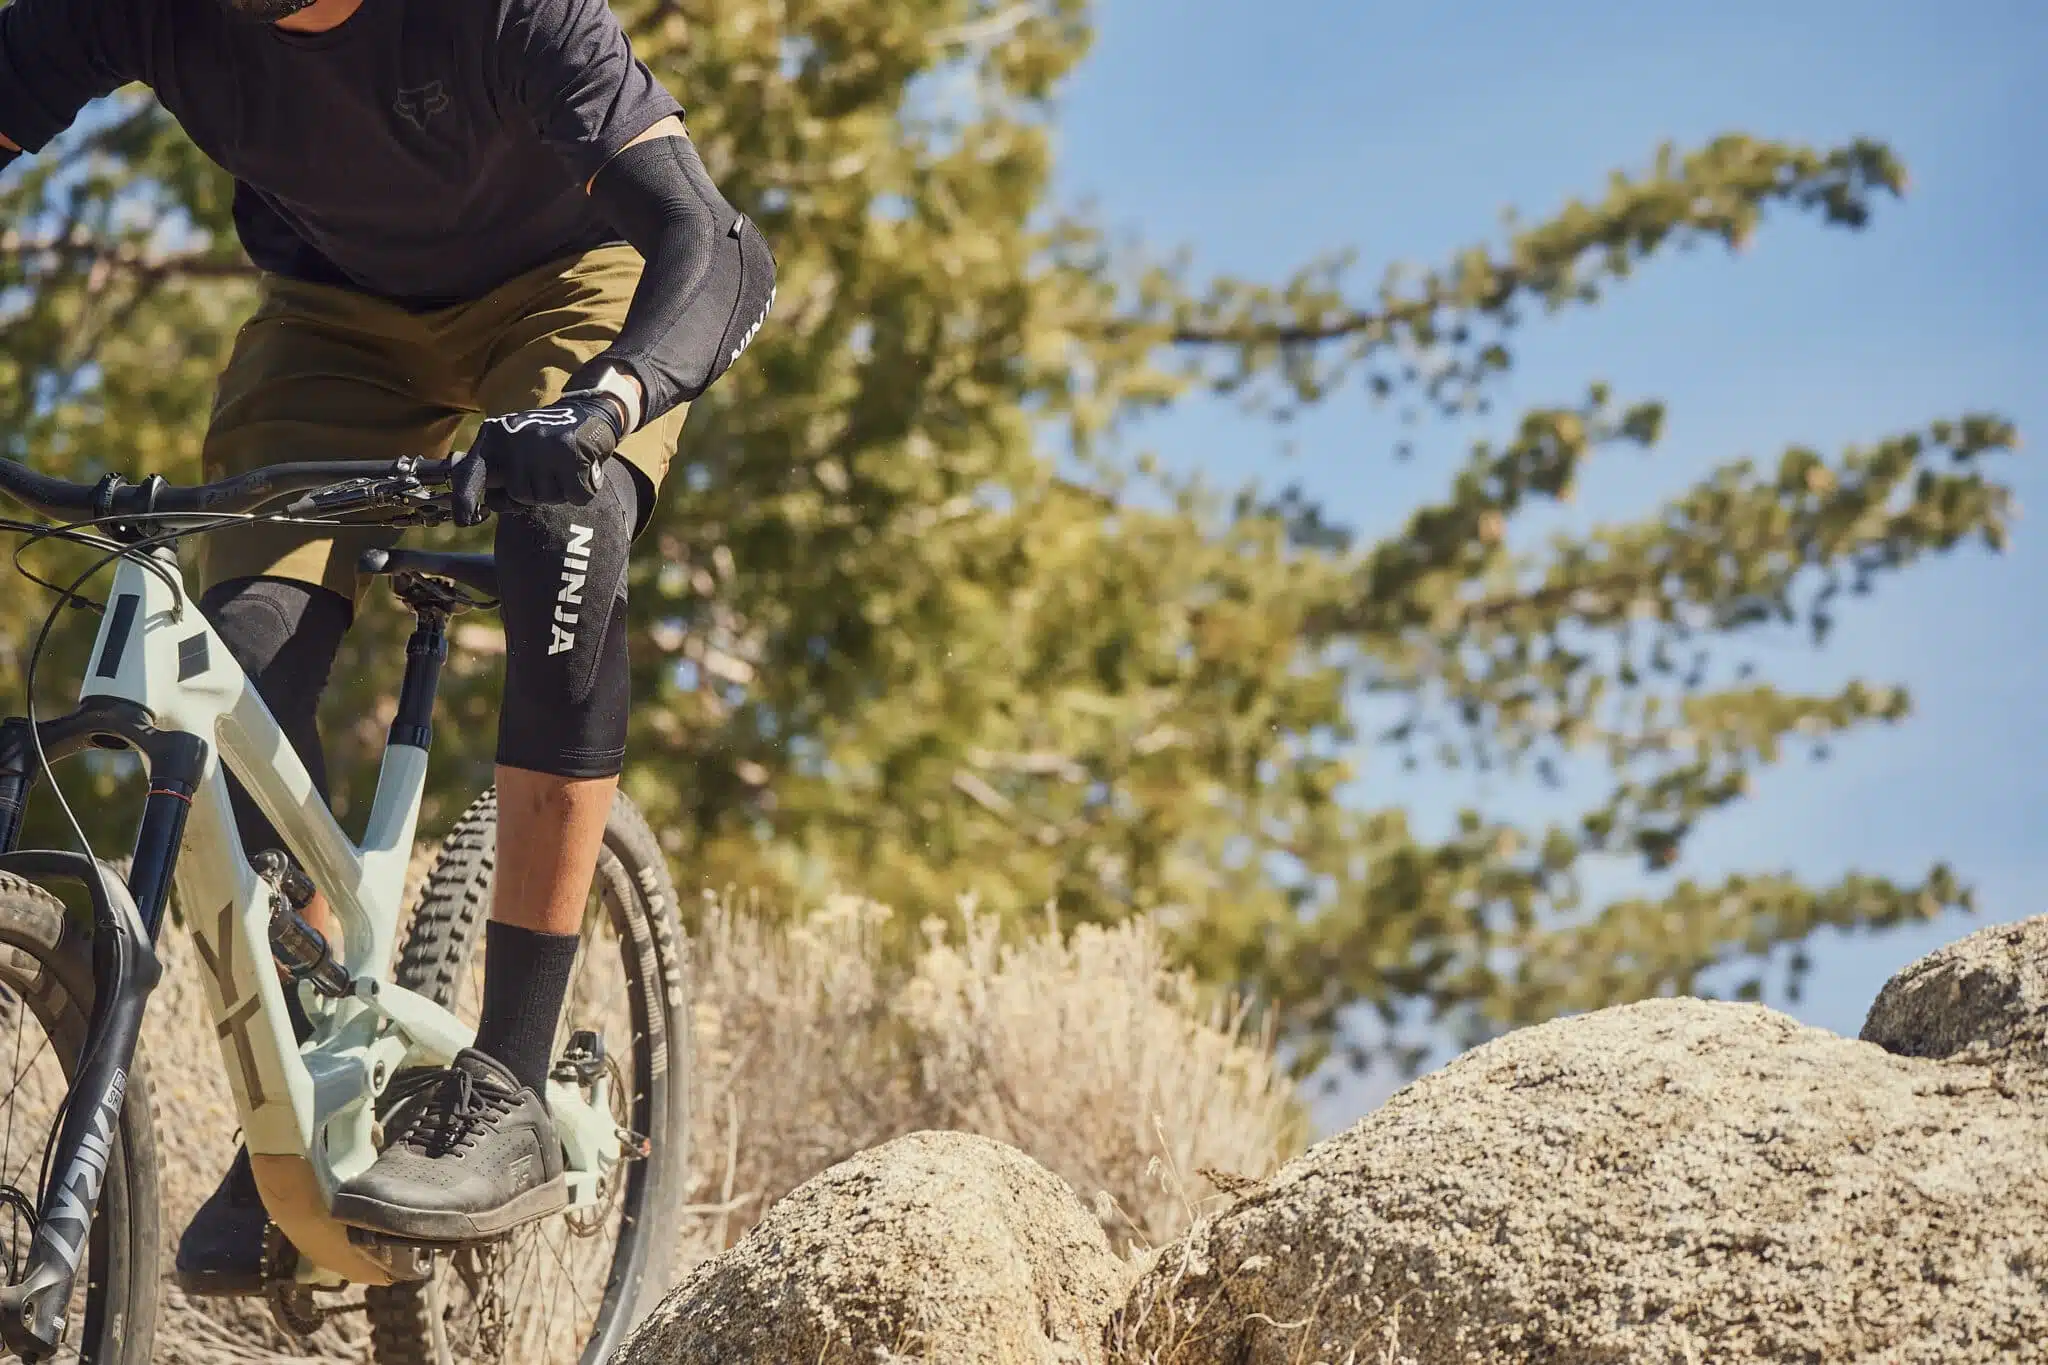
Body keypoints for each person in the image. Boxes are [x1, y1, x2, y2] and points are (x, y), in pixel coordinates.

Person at [0, 0, 774, 1293]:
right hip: (336, 316)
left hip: (570, 284)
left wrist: (611, 402)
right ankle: (315, 1085)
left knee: (561, 528)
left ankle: (510, 1082)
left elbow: (718, 244)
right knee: (230, 679)